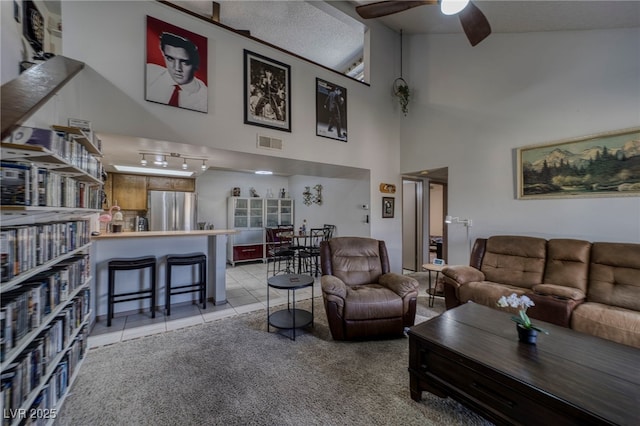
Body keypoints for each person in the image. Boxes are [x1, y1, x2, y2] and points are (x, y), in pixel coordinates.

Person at [146, 32, 207, 113]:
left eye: (184, 62)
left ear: (195, 62)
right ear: (163, 54)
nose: (177, 68)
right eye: (170, 59)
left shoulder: (205, 98)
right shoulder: (149, 73)